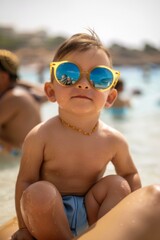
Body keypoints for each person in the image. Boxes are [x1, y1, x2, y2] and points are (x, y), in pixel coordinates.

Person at [12, 30, 142, 240]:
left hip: (93, 212)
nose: (83, 84)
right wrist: (24, 228)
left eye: (99, 78)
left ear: (110, 97)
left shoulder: (114, 140)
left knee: (117, 184)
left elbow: (130, 175)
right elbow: (25, 182)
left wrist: (136, 213)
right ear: (51, 92)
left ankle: (99, 235)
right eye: (68, 75)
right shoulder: (41, 135)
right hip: (49, 213)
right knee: (38, 192)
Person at [0, 49, 47, 155]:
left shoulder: (13, 98)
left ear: (3, 76)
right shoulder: (30, 94)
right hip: (24, 155)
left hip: (14, 156)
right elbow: (45, 93)